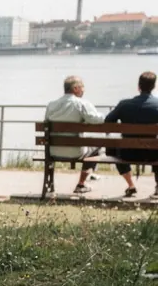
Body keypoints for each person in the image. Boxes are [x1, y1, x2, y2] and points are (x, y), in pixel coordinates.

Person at [43, 75, 108, 195]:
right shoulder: (80, 104)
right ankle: (82, 183)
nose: (84, 90)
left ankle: (51, 184)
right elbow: (95, 119)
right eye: (82, 87)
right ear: (76, 88)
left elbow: (45, 122)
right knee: (98, 146)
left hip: (52, 151)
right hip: (75, 152)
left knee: (90, 144)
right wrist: (106, 116)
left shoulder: (51, 105)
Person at [104, 71, 158, 199]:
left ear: (138, 86)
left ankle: (131, 185)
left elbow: (107, 122)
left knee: (112, 148)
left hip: (127, 153)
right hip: (152, 154)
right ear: (154, 86)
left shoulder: (124, 104)